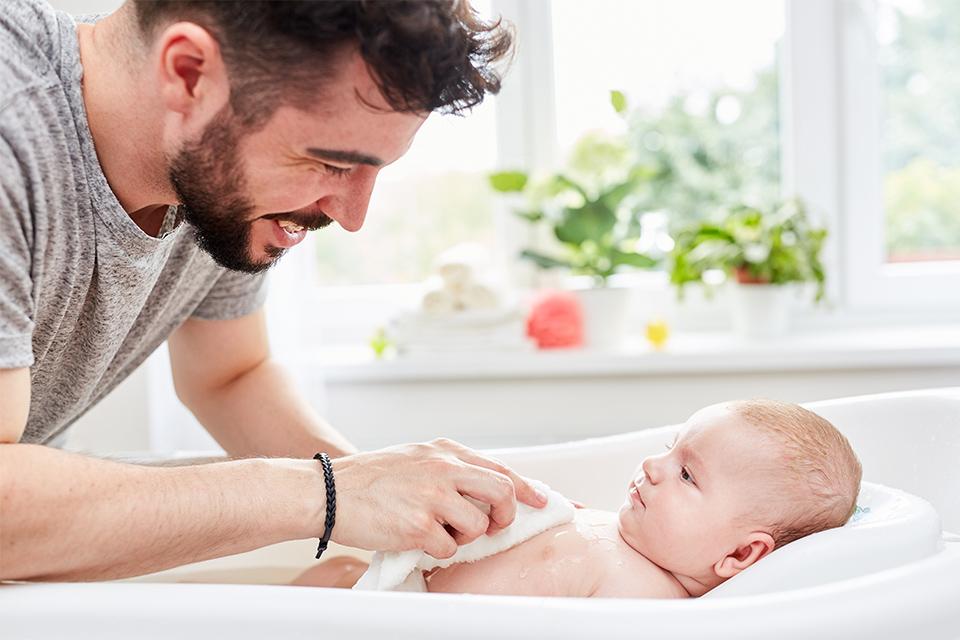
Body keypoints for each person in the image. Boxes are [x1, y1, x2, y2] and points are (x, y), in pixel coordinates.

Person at [0, 0, 551, 583]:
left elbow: (229, 377)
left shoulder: (210, 177)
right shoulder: (15, 129)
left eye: (375, 170)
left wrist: (403, 504)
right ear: (188, 73)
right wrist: (328, 493)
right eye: (329, 162)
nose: (352, 214)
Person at [292, 400, 863, 597]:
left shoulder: (647, 605)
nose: (652, 466)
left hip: (403, 618)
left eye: (687, 475)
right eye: (669, 449)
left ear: (740, 556)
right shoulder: (633, 539)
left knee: (314, 594)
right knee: (334, 570)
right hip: (399, 589)